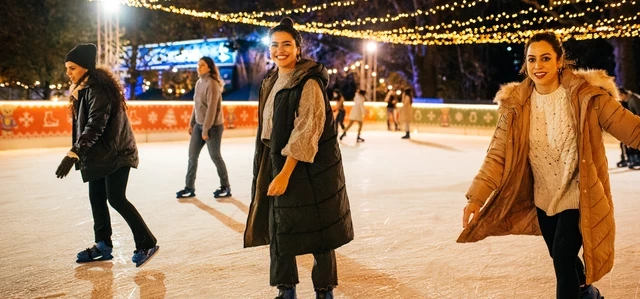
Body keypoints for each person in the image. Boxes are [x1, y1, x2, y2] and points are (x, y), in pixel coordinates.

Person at [458, 32, 640, 299]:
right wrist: (477, 197)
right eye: (532, 59)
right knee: (560, 256)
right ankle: (589, 295)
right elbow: (498, 155)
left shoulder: (586, 97)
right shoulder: (516, 105)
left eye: (545, 58)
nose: (538, 66)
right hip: (543, 198)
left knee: (564, 259)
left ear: (559, 61)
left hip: (580, 195)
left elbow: (631, 129)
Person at [243, 17, 354, 299]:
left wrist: (284, 173)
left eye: (287, 44)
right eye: (275, 45)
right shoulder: (271, 80)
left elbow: (307, 131)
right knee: (278, 227)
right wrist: (270, 168)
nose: (280, 50)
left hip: (309, 168)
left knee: (318, 230)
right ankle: (286, 290)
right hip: (276, 161)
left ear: (298, 48)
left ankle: (324, 291)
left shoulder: (309, 83)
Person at [55, 43, 159, 267]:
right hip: (99, 155)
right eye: (67, 68)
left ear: (84, 67)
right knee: (97, 199)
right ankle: (103, 244)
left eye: (72, 68)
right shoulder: (83, 90)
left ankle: (147, 242)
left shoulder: (98, 90)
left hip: (117, 152)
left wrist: (74, 152)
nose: (68, 72)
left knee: (116, 198)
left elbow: (95, 125)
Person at [176, 57, 232, 199]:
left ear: (209, 68)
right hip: (199, 125)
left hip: (213, 127)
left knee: (215, 156)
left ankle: (225, 186)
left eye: (202, 65)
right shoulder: (199, 83)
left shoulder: (212, 84)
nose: (199, 67)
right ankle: (189, 187)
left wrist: (206, 129)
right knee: (192, 156)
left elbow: (211, 109)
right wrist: (192, 123)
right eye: (198, 65)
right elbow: (197, 106)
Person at [619, 88, 640, 169]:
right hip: (634, 124)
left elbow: (638, 112)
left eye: (620, 95)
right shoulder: (628, 100)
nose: (620, 98)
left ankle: (635, 158)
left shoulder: (633, 99)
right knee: (625, 142)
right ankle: (629, 158)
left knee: (633, 141)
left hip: (637, 124)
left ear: (624, 94)